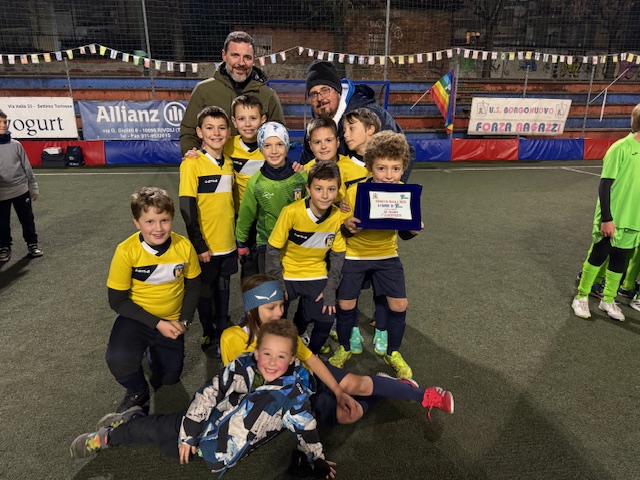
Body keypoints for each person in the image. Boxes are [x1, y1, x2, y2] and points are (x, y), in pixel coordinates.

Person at [72, 320, 338, 480]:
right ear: (257, 352)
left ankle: (133, 422)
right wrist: (189, 433)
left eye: (281, 356)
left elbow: (306, 428)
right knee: (152, 430)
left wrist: (316, 457)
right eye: (267, 353)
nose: (272, 362)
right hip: (194, 421)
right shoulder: (242, 365)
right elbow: (210, 392)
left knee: (167, 450)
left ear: (291, 359)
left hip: (214, 450)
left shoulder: (294, 396)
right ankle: (106, 437)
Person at [221, 274, 454, 428]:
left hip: (309, 377)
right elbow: (232, 383)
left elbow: (312, 361)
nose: (280, 313)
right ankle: (383, 388)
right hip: (289, 395)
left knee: (357, 385)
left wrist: (338, 391)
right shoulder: (231, 338)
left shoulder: (282, 331)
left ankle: (423, 395)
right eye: (271, 307)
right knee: (349, 415)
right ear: (251, 309)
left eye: (281, 305)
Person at [329, 131, 422, 379]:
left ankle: (392, 351)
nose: (389, 175)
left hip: (386, 255)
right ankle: (345, 347)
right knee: (346, 304)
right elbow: (341, 228)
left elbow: (405, 232)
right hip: (355, 255)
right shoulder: (354, 192)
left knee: (399, 304)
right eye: (382, 168)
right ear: (370, 168)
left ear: (403, 169)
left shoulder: (404, 193)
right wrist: (347, 226)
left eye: (395, 168)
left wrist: (413, 230)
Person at [105, 187, 201, 413]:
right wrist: (158, 324)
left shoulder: (184, 246)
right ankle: (137, 390)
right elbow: (117, 301)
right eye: (149, 221)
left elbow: (194, 286)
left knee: (168, 378)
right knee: (119, 359)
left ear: (172, 219)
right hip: (136, 318)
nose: (158, 228)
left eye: (164, 220)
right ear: (136, 222)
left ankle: (153, 349)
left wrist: (184, 321)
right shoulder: (126, 251)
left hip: (172, 319)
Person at [266, 161, 345, 354]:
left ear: (338, 190)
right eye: (319, 189)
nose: (325, 195)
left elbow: (338, 256)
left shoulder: (338, 217)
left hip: (316, 273)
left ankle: (310, 354)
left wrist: (330, 287)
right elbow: (272, 249)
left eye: (331, 189)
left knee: (327, 317)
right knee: (270, 315)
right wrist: (277, 282)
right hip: (286, 272)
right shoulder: (291, 211)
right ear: (308, 189)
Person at [571, 103, 640, 321]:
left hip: (635, 219)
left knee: (620, 260)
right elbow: (605, 186)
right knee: (599, 255)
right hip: (614, 218)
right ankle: (581, 296)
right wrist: (607, 218)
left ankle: (608, 299)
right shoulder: (620, 148)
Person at [179, 106, 237, 358]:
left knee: (224, 288)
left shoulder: (229, 163)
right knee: (206, 292)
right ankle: (208, 332)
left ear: (228, 132)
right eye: (210, 128)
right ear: (200, 132)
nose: (216, 133)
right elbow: (186, 208)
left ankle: (222, 325)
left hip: (228, 244)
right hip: (206, 248)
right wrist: (199, 244)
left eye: (222, 128)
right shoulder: (192, 163)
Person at [299, 60, 415, 182]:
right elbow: (307, 165)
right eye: (313, 94)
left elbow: (405, 150)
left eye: (325, 90)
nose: (320, 98)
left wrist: (390, 188)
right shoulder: (314, 126)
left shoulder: (368, 114)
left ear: (338, 91)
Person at [180, 31, 285, 155]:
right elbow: (189, 133)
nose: (241, 63)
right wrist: (194, 156)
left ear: (253, 60)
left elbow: (279, 136)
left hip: (256, 165)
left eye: (247, 57)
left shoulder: (268, 95)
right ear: (224, 56)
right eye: (235, 55)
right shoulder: (203, 90)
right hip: (215, 165)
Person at [235, 122, 307, 274]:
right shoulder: (255, 182)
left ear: (287, 146)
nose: (274, 151)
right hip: (267, 243)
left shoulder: (301, 177)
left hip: (296, 243)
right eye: (267, 145)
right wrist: (241, 241)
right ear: (261, 148)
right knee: (271, 287)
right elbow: (246, 214)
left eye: (279, 144)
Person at [226, 94, 267, 278]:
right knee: (248, 266)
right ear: (234, 121)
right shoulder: (228, 146)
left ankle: (268, 297)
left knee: (267, 264)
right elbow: (208, 154)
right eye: (242, 119)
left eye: (253, 118)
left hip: (267, 218)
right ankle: (250, 298)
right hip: (242, 218)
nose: (248, 124)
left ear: (263, 119)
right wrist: (195, 153)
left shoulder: (270, 145)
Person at [0, 109, 43, 262]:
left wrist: (33, 187)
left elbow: (27, 167)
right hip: (1, 194)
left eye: (5, 122)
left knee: (27, 219)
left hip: (20, 189)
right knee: (2, 223)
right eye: (0, 122)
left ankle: (32, 244)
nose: (3, 125)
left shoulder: (16, 145)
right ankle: (4, 247)